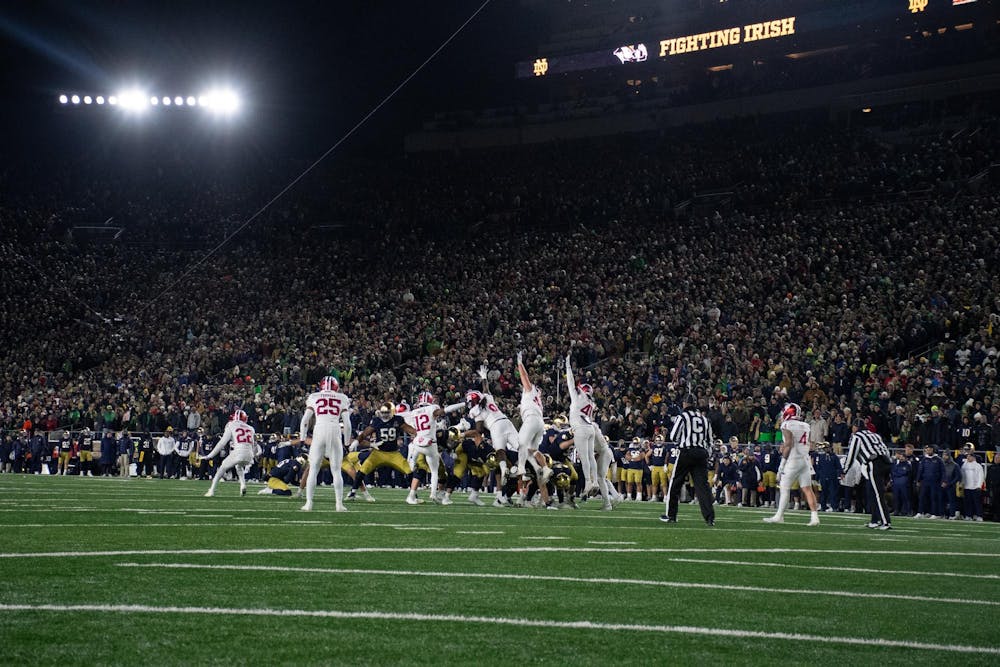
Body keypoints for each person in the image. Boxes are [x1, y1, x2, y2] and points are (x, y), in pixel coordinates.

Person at [299, 376, 352, 512]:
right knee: (336, 470)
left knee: (314, 469)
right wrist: (346, 442)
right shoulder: (342, 398)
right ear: (336, 386)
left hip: (319, 430)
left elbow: (305, 420)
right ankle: (339, 504)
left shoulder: (314, 396)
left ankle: (309, 503)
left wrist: (302, 438)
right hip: (334, 430)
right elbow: (347, 424)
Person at [661, 395, 715, 526]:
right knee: (702, 486)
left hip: (686, 452)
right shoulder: (704, 419)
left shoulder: (683, 417)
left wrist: (682, 442)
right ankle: (709, 518)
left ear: (685, 404)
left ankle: (671, 515)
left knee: (675, 483)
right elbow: (710, 441)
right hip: (701, 453)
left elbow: (673, 436)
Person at [764, 403, 820, 526]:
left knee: (784, 488)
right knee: (807, 489)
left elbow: (789, 444)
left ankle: (779, 516)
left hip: (793, 460)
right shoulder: (805, 425)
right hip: (805, 460)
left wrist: (782, 465)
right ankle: (815, 517)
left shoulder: (787, 424)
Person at [407, 390, 464, 505]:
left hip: (418, 443)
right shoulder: (432, 409)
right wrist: (462, 404)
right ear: (429, 400)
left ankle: (411, 460)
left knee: (416, 445)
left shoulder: (413, 412)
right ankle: (433, 494)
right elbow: (446, 410)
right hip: (429, 444)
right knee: (434, 471)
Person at [350, 402, 415, 502]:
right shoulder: (376, 421)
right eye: (383, 412)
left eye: (387, 412)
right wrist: (356, 441)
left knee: (409, 471)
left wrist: (419, 433)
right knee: (362, 471)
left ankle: (413, 495)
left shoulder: (398, 420)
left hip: (394, 453)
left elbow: (409, 429)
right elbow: (365, 433)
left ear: (392, 412)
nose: (384, 415)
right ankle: (352, 492)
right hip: (378, 453)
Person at [514, 351, 553, 504]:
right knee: (532, 450)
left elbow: (524, 378)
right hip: (539, 422)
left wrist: (519, 364)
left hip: (531, 420)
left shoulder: (531, 391)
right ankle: (541, 468)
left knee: (521, 444)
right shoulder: (538, 399)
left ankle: (522, 469)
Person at [843, 418, 893, 529]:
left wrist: (844, 470)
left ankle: (886, 522)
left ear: (856, 427)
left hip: (874, 463)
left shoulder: (857, 436)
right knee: (872, 492)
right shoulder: (875, 435)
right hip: (886, 462)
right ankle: (874, 520)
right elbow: (885, 449)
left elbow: (852, 455)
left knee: (877, 494)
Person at [202, 409, 257, 498]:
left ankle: (211, 490)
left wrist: (210, 455)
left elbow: (222, 443)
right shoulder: (251, 428)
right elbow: (253, 445)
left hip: (239, 452)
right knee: (238, 466)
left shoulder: (231, 425)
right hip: (249, 454)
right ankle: (242, 485)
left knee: (222, 468)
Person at [915, 445, 943, 518]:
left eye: (930, 449)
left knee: (933, 498)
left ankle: (934, 513)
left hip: (935, 481)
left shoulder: (938, 459)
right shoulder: (924, 459)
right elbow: (920, 470)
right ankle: (920, 512)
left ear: (933, 450)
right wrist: (918, 480)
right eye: (927, 449)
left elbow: (943, 471)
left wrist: (943, 481)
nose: (928, 451)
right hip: (925, 481)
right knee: (922, 497)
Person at [960, 452, 985, 521]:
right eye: (967, 456)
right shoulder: (964, 465)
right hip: (966, 487)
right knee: (967, 502)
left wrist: (979, 486)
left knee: (977, 503)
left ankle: (979, 515)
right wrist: (962, 484)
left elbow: (981, 476)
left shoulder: (978, 466)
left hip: (975, 487)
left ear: (973, 457)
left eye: (969, 456)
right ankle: (968, 515)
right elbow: (962, 476)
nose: (968, 458)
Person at [890, 450, 913, 517]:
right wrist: (899, 474)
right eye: (900, 456)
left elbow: (905, 472)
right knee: (896, 498)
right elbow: (893, 472)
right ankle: (896, 510)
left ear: (906, 458)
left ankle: (907, 511)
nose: (901, 458)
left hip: (904, 484)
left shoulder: (908, 465)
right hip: (896, 484)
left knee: (906, 498)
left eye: (903, 457)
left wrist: (898, 473)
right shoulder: (896, 464)